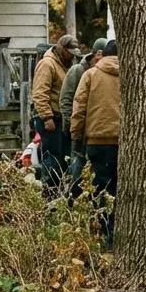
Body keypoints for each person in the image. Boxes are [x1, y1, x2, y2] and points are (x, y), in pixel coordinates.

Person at [71, 39, 119, 245]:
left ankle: (103, 234)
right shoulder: (135, 77)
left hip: (97, 141)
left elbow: (79, 109)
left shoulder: (90, 75)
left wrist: (76, 139)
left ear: (103, 55)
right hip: (124, 143)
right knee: (121, 190)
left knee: (100, 188)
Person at [30, 33, 81, 190]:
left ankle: (59, 190)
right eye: (69, 53)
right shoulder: (47, 64)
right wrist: (46, 117)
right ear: (62, 49)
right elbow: (39, 93)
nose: (72, 57)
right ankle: (50, 191)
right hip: (51, 119)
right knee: (52, 158)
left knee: (62, 158)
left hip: (60, 118)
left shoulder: (62, 65)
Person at [63, 38, 106, 191]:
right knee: (76, 166)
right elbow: (67, 100)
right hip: (77, 127)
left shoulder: (100, 74)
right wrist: (70, 125)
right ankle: (73, 196)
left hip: (92, 129)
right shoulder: (77, 71)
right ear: (97, 54)